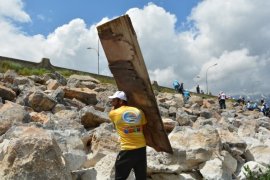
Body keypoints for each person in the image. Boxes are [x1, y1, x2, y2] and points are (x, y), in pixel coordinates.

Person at [108, 91, 147, 180]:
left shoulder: (113, 113)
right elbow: (143, 127)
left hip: (127, 149)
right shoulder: (139, 111)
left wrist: (114, 107)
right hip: (141, 148)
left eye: (114, 100)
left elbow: (112, 117)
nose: (112, 102)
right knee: (141, 177)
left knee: (119, 177)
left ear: (121, 101)